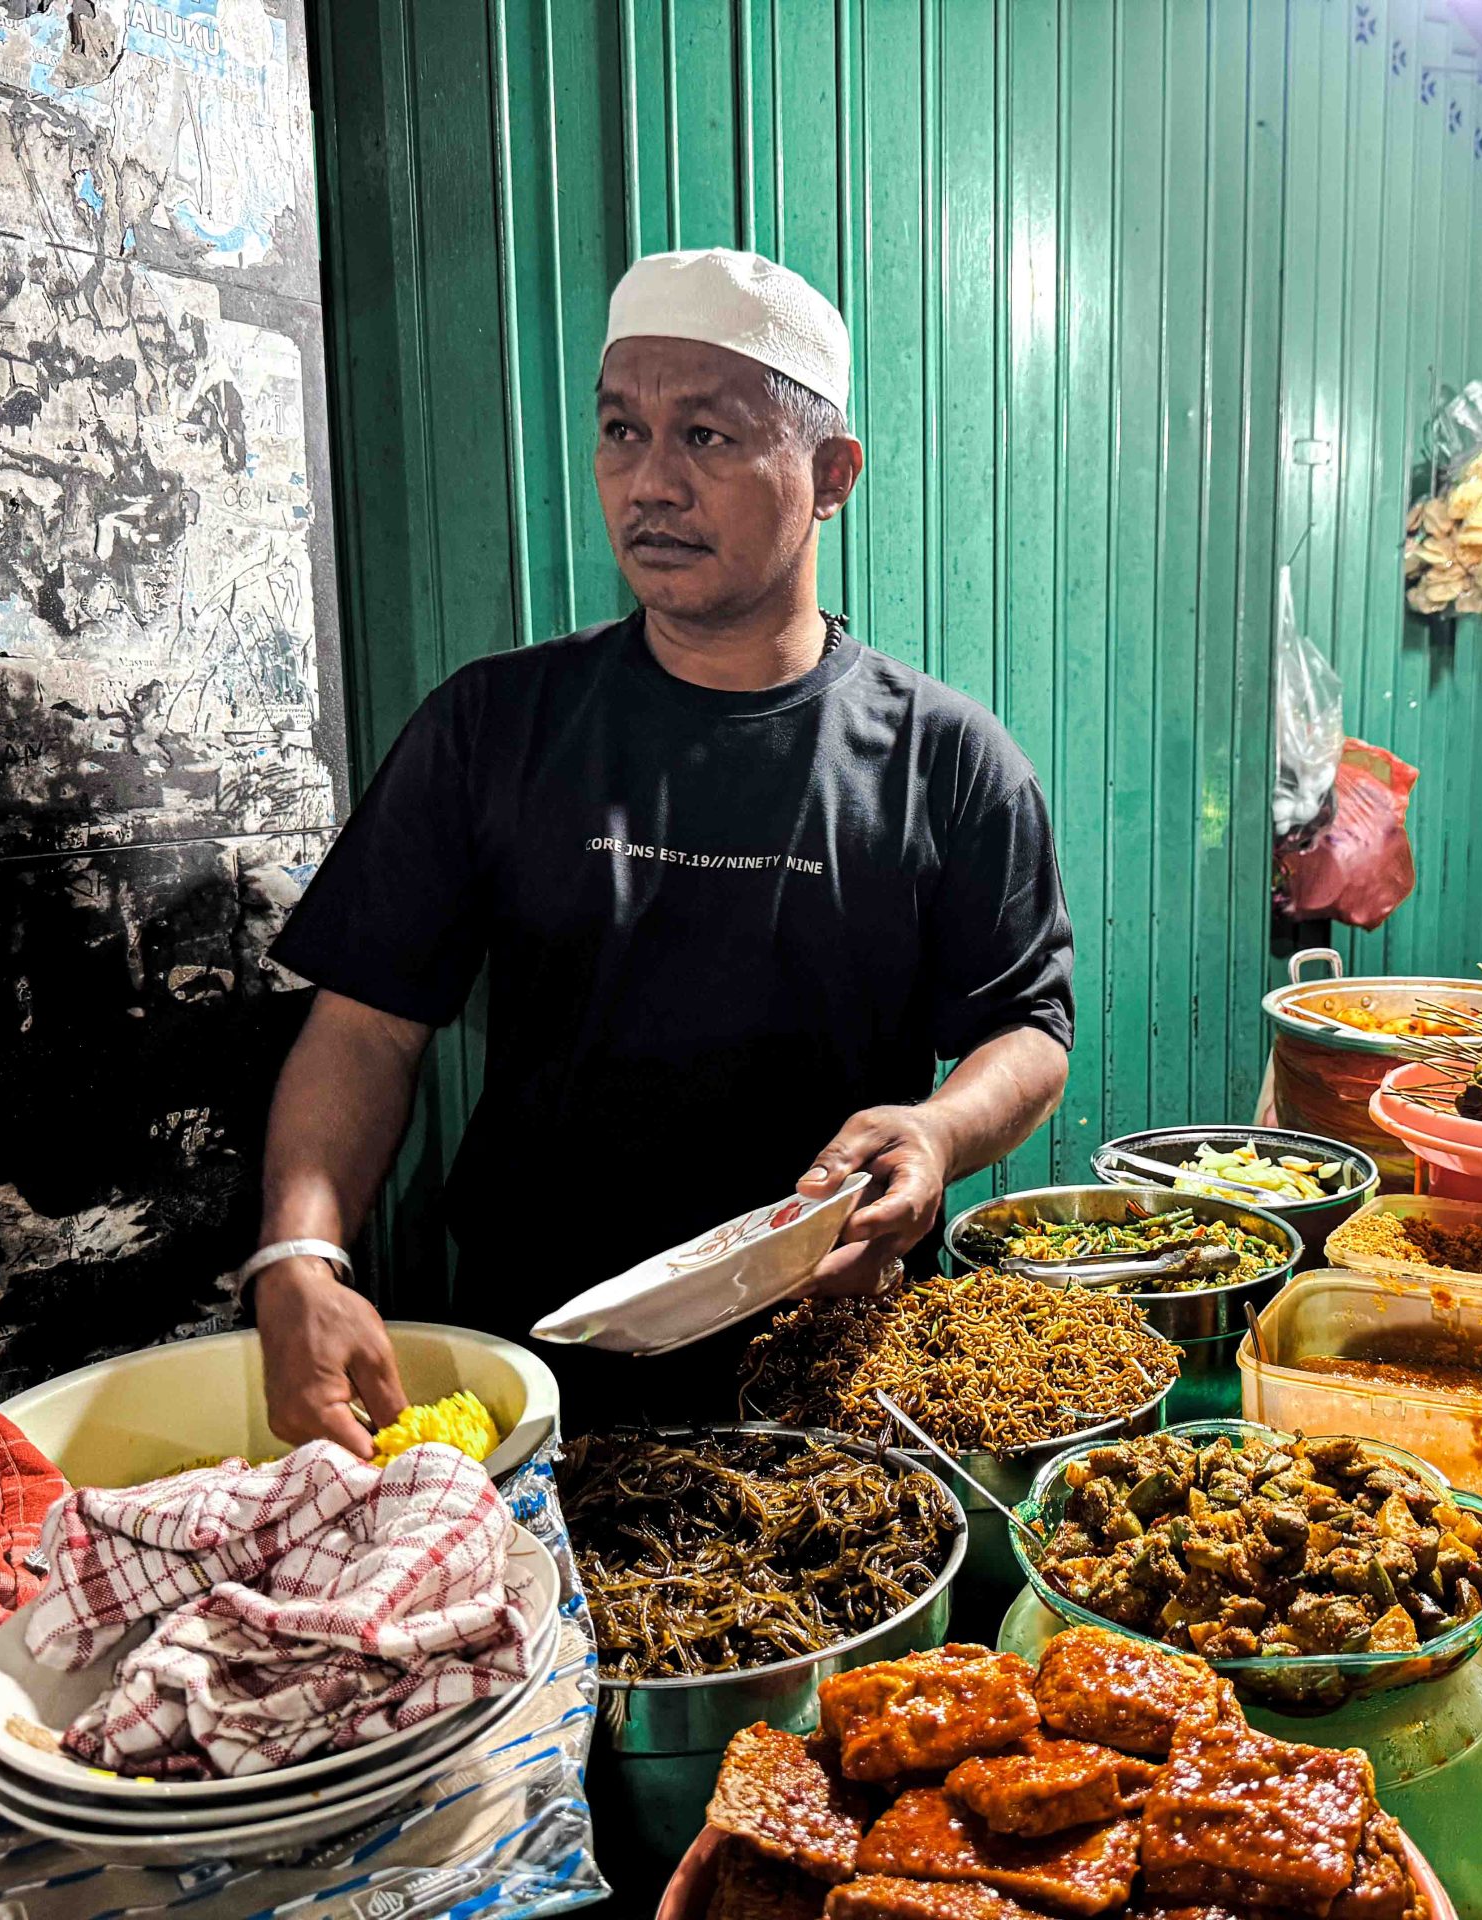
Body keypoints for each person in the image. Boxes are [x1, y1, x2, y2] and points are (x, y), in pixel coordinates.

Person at [247, 248, 1076, 1447]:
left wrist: (938, 1132)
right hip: (535, 1362)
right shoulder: (492, 724)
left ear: (830, 475)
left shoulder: (944, 757)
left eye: (707, 438)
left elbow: (1026, 1029)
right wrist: (297, 1256)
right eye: (621, 432)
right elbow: (368, 1024)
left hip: (835, 1365)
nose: (650, 485)